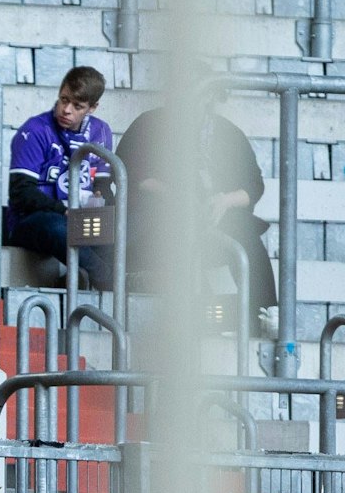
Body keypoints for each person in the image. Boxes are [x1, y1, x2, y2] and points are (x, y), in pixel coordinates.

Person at [116, 103, 279, 332]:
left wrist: (224, 200)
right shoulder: (149, 123)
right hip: (158, 221)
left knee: (246, 235)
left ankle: (266, 312)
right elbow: (129, 173)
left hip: (212, 218)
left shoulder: (226, 131)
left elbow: (254, 186)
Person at [5, 65, 115, 289]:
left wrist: (100, 200)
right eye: (64, 99)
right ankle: (108, 279)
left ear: (92, 108)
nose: (66, 110)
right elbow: (21, 193)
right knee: (59, 227)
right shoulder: (35, 129)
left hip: (79, 218)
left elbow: (103, 186)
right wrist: (63, 210)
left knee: (120, 224)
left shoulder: (101, 131)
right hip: (33, 219)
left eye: (77, 106)